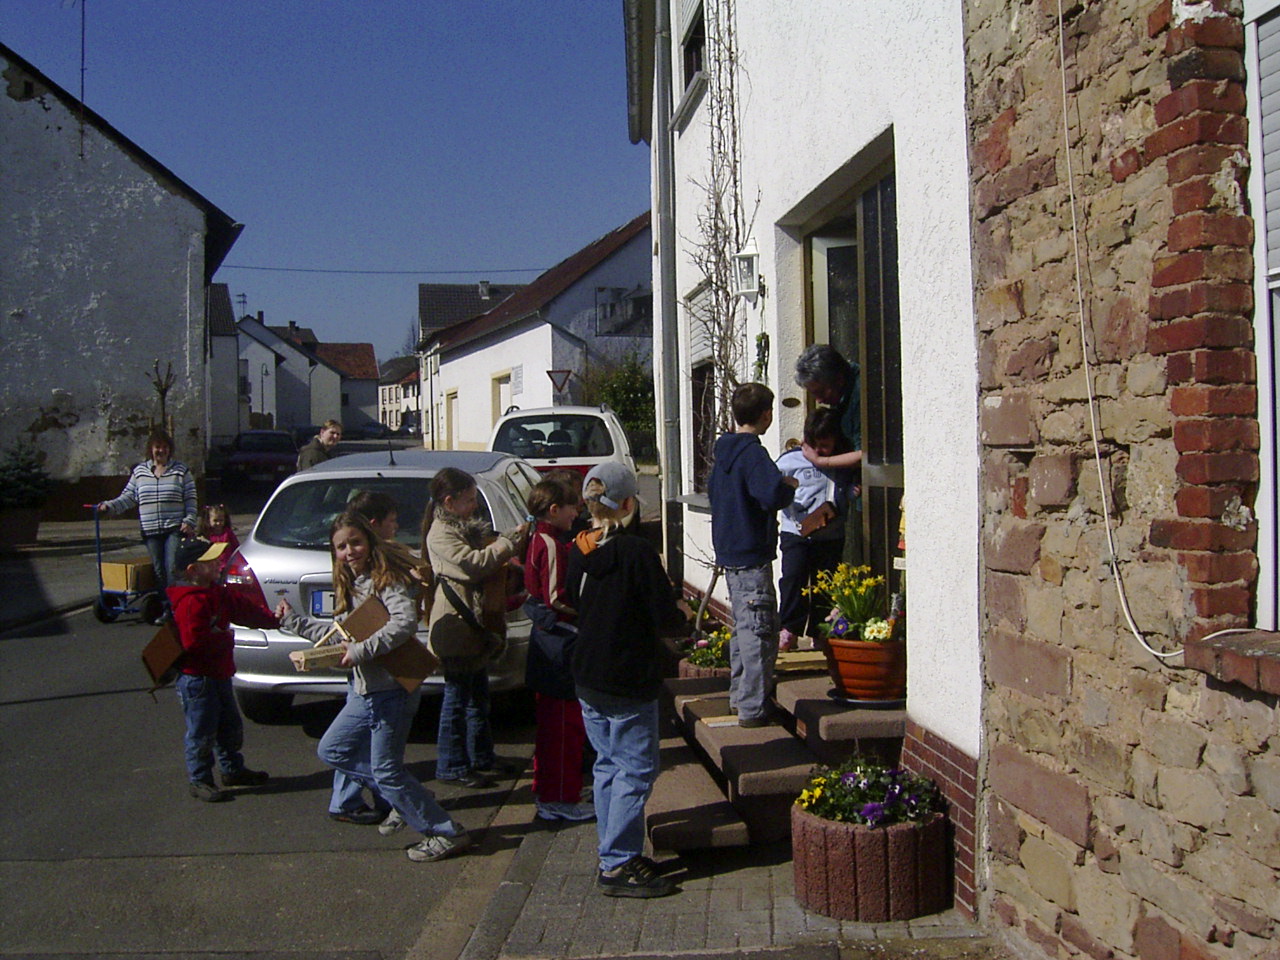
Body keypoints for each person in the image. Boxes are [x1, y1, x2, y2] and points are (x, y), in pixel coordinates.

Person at [277, 511, 471, 863]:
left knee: (386, 769)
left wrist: (361, 650)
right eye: (341, 546)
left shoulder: (384, 580)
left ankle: (444, 832)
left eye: (355, 542)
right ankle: (407, 796)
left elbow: (404, 623)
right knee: (333, 750)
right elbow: (338, 635)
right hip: (365, 691)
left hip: (391, 689)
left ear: (368, 541)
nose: (349, 551)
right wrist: (293, 621)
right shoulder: (351, 584)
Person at [568, 461, 687, 898]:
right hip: (627, 674)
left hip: (588, 672)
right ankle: (617, 863)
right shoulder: (637, 552)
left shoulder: (578, 548)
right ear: (630, 503)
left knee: (606, 765)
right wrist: (682, 622)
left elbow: (571, 601)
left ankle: (610, 850)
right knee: (636, 770)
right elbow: (664, 615)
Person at [422, 468, 527, 789]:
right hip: (456, 627)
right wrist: (507, 544)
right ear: (449, 502)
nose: (474, 506)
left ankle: (481, 756)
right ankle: (452, 764)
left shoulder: (462, 527)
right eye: (469, 500)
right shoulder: (440, 534)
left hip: (473, 624)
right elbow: (473, 565)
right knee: (456, 699)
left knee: (478, 699)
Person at [707, 383, 798, 728]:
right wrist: (787, 487)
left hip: (731, 552)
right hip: (750, 553)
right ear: (766, 415)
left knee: (743, 627)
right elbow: (769, 493)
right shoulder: (752, 453)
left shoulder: (724, 453)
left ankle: (739, 697)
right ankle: (753, 707)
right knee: (759, 629)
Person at [167, 538, 278, 802]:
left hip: (219, 673)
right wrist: (226, 639)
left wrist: (274, 620)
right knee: (202, 732)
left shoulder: (217, 593)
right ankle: (200, 779)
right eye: (211, 561)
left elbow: (244, 610)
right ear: (193, 570)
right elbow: (193, 642)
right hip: (197, 678)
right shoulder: (191, 602)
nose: (219, 562)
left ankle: (232, 769)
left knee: (229, 726)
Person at [523, 479, 593, 822]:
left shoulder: (538, 536)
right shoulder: (550, 542)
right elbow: (555, 597)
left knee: (553, 728)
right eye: (572, 507)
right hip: (557, 644)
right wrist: (585, 612)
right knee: (563, 728)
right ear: (554, 510)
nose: (576, 513)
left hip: (547, 641)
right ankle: (558, 799)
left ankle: (554, 791)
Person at [98, 430, 197, 623]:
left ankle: (174, 609)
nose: (161, 451)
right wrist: (108, 506)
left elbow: (191, 499)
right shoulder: (140, 472)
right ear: (151, 449)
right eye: (157, 447)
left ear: (170, 450)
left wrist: (189, 520)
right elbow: (127, 497)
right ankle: (165, 607)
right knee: (159, 571)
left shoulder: (181, 471)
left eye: (165, 447)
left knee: (171, 569)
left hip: (173, 528)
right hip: (150, 529)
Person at [775, 408, 850, 649]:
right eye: (814, 445)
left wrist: (850, 493)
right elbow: (772, 487)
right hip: (795, 533)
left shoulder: (841, 462)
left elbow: (848, 489)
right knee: (793, 580)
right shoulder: (790, 461)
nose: (818, 452)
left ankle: (820, 631)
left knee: (825, 585)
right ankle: (789, 629)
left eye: (825, 446)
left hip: (830, 535)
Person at [794, 344, 864, 562]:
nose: (819, 400)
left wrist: (822, 460)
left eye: (821, 392)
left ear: (838, 378)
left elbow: (867, 454)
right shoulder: (841, 399)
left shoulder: (862, 393)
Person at [196, 504, 239, 573]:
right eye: (215, 520)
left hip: (227, 566)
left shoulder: (228, 533)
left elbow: (236, 547)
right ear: (208, 520)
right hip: (211, 568)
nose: (218, 523)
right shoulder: (206, 535)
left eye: (221, 520)